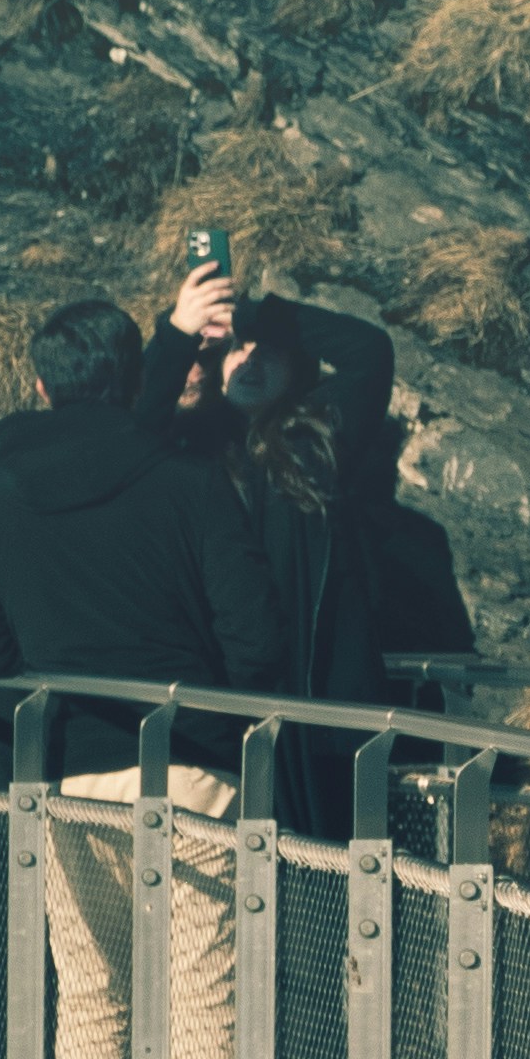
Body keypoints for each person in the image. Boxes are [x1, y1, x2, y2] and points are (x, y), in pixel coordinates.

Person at [0, 300, 283, 1059]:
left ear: (40, 384)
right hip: (191, 771)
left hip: (64, 773)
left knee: (93, 991)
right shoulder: (189, 482)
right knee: (202, 992)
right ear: (137, 378)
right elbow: (257, 640)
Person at [141, 265, 390, 837]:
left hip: (316, 700)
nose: (249, 361)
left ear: (298, 366)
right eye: (235, 350)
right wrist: (180, 332)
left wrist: (251, 315)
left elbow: (370, 352)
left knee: (332, 862)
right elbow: (133, 422)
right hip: (225, 694)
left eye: (267, 351)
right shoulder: (186, 451)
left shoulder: (317, 441)